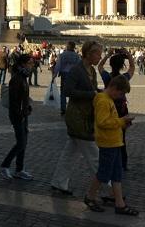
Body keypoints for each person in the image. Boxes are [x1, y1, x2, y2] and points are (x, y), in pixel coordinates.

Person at [51, 41, 112, 196]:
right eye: (98, 53)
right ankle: (109, 191)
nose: (100, 56)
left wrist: (99, 91)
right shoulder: (76, 70)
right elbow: (67, 90)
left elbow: (90, 90)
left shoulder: (91, 70)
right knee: (95, 157)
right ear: (89, 54)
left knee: (69, 153)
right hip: (78, 118)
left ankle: (59, 182)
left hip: (85, 115)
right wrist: (92, 94)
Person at [84, 75, 138, 215]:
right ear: (114, 88)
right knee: (103, 173)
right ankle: (90, 197)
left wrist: (123, 123)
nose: (121, 96)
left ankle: (120, 204)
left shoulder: (107, 99)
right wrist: (121, 121)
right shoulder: (103, 101)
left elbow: (109, 120)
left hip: (114, 141)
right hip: (108, 142)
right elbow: (102, 122)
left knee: (116, 174)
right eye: (121, 93)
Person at [0, 53, 34, 181]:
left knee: (23, 142)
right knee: (21, 143)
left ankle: (19, 169)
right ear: (23, 64)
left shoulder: (23, 76)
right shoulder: (17, 78)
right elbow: (14, 101)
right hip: (18, 116)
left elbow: (23, 97)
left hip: (23, 114)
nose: (32, 65)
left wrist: (27, 107)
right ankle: (4, 165)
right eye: (30, 63)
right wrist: (20, 115)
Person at [98, 49, 135, 170]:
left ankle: (108, 160)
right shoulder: (123, 78)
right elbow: (132, 68)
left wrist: (107, 55)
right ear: (121, 65)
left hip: (109, 108)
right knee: (122, 137)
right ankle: (123, 163)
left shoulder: (107, 77)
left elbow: (99, 66)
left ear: (111, 64)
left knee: (109, 134)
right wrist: (129, 55)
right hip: (122, 109)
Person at [53, 41, 82, 115]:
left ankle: (63, 109)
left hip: (64, 74)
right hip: (73, 74)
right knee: (73, 91)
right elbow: (79, 65)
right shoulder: (76, 56)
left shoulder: (62, 55)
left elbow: (58, 65)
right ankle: (71, 108)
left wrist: (55, 74)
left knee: (63, 92)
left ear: (68, 46)